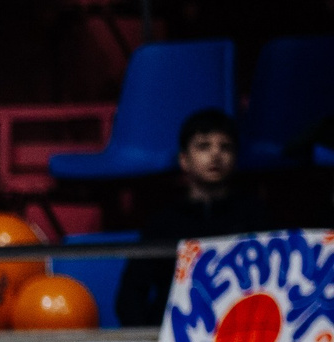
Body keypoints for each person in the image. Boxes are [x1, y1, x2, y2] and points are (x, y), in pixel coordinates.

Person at [117, 109, 275, 329]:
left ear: (236, 159)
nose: (215, 155)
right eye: (203, 146)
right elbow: (130, 295)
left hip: (241, 335)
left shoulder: (255, 215)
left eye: (225, 147)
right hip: (174, 339)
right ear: (184, 159)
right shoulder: (163, 222)